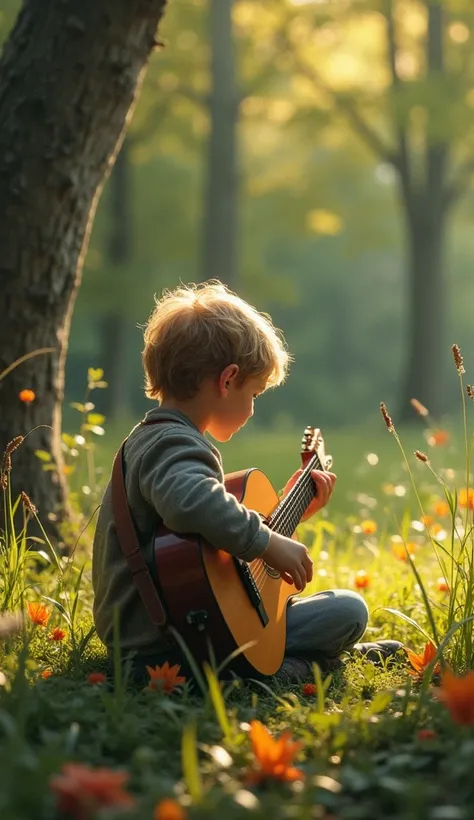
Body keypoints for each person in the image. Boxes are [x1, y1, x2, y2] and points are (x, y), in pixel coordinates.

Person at [92, 281, 402, 686]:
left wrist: (289, 515)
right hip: (161, 645)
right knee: (348, 610)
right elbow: (190, 503)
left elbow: (201, 553)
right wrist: (269, 543)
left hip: (175, 627)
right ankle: (299, 668)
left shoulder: (156, 438)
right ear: (227, 380)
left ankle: (290, 660)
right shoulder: (171, 443)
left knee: (338, 611)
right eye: (254, 393)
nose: (253, 408)